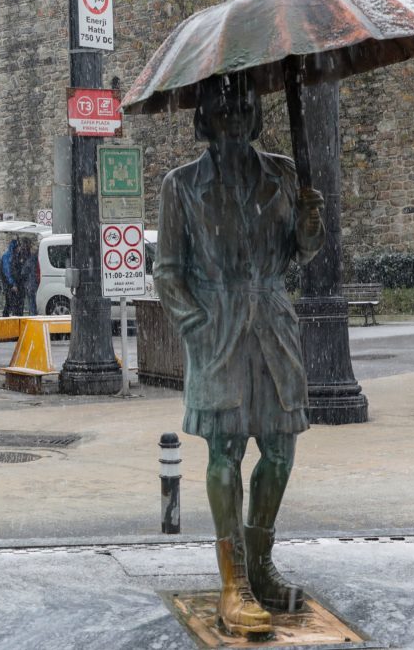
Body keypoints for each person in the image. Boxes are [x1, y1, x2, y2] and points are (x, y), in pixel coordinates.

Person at [153, 73, 324, 638]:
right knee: (224, 449)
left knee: (279, 449)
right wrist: (197, 327)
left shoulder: (282, 173)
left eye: (243, 105)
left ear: (255, 114)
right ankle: (234, 583)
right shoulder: (182, 185)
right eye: (222, 106)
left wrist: (309, 219)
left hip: (272, 323)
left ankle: (261, 564)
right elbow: (168, 274)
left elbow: (303, 251)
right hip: (220, 325)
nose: (232, 115)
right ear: (205, 116)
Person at [14, 237, 39, 316]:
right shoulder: (33, 257)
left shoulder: (28, 258)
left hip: (29, 284)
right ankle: (32, 315)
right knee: (32, 302)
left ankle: (32, 316)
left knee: (31, 302)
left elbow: (23, 272)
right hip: (33, 283)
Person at [0, 238, 21, 317]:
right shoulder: (8, 256)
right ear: (15, 247)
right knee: (10, 302)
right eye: (18, 246)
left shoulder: (13, 255)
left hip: (10, 283)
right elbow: (7, 272)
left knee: (10, 303)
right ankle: (6, 318)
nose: (19, 248)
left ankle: (7, 318)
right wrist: (13, 284)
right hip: (8, 284)